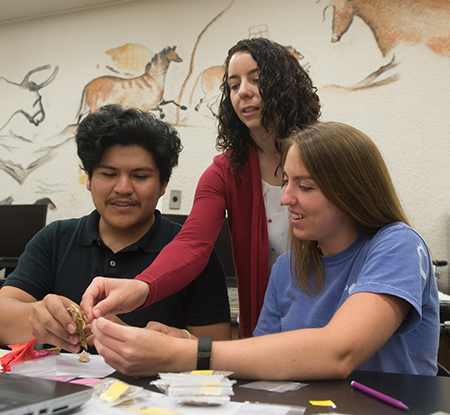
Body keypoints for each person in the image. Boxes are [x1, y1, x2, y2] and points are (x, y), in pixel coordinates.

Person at [90, 121, 439, 379]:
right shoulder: (287, 267)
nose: (286, 198)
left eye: (304, 186)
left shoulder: (398, 244)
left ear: (351, 190)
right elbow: (256, 361)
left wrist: (180, 353)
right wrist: (179, 338)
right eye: (287, 182)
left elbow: (339, 352)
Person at [82, 37, 321, 338]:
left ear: (286, 86)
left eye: (257, 80)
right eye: (233, 86)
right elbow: (192, 244)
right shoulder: (224, 172)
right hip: (267, 333)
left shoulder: (328, 158)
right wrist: (140, 287)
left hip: (335, 321)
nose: (243, 92)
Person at [0, 105, 231, 353]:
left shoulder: (194, 255)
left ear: (163, 185)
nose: (123, 188)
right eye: (109, 174)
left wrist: (161, 344)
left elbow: (218, 351)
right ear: (88, 179)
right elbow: (4, 316)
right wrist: (41, 319)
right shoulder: (54, 239)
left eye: (140, 176)